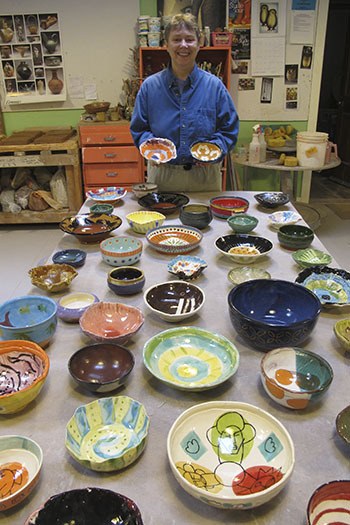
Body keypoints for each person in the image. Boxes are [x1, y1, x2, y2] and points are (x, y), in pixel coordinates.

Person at [130, 13, 239, 192]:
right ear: (166, 45)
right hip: (163, 175)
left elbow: (229, 129)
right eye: (176, 39)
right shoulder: (150, 87)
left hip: (205, 176)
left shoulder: (215, 87)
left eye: (189, 39)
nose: (183, 45)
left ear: (199, 43)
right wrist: (152, 148)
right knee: (163, 221)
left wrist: (214, 150)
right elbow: (139, 129)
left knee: (207, 220)